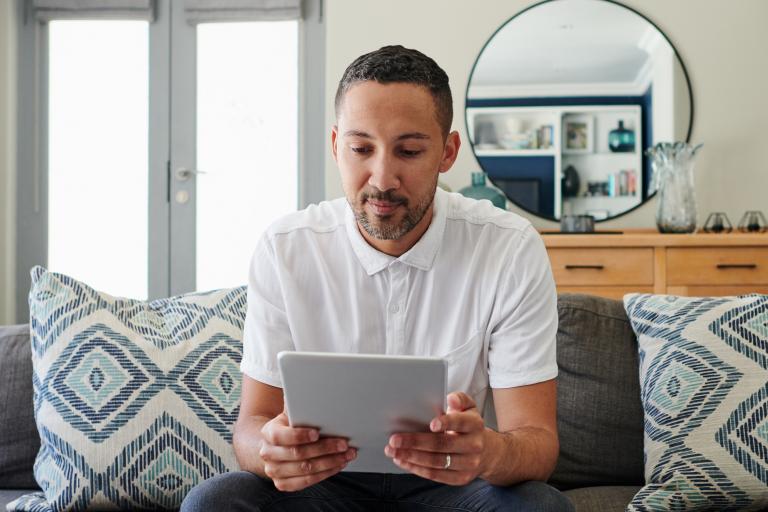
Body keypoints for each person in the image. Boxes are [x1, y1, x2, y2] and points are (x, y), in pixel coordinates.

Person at [182, 45, 573, 512]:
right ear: (334, 145)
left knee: (542, 506)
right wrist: (272, 452)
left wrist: (489, 451)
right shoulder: (285, 247)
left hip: (454, 485)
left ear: (447, 153)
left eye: (408, 150)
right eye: (361, 148)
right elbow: (252, 427)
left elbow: (537, 444)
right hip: (323, 485)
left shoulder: (508, 246)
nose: (382, 178)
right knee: (215, 501)